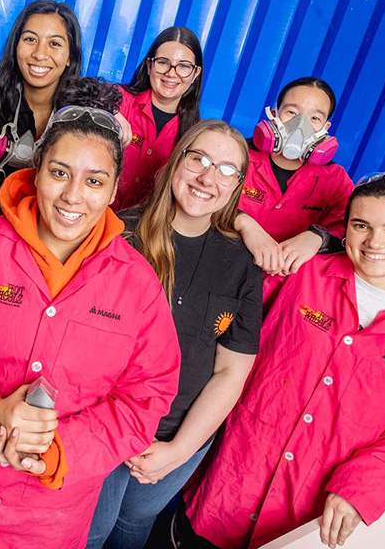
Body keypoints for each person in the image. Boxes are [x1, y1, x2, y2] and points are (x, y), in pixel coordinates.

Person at [0, 105, 181, 548]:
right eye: (59, 172)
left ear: (113, 192)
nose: (73, 195)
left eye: (94, 181)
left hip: (48, 519)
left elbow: (147, 397)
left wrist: (56, 448)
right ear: (36, 172)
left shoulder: (137, 285)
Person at [178, 173, 385, 549]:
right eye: (362, 225)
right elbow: (221, 323)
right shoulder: (298, 275)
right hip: (226, 488)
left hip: (303, 517)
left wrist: (361, 486)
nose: (375, 242)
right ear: (344, 229)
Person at [87, 120, 262, 549]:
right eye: (199, 159)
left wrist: (180, 450)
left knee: (133, 529)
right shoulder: (115, 235)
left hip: (183, 436)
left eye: (225, 169)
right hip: (107, 428)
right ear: (176, 161)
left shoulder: (242, 262)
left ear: (237, 185)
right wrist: (124, 433)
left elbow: (230, 373)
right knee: (91, 533)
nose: (207, 177)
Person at [0, 0, 83, 238]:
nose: (40, 54)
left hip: (42, 244)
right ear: (16, 46)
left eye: (54, 43)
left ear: (70, 57)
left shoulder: (80, 115)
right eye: (30, 39)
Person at [234, 77, 353, 276]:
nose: (301, 124)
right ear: (274, 114)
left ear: (326, 128)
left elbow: (353, 231)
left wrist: (318, 237)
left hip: (285, 288)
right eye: (292, 112)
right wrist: (242, 222)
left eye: (315, 118)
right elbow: (198, 199)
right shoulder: (237, 154)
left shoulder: (336, 180)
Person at [113, 27, 204, 211]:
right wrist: (109, 112)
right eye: (163, 62)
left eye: (184, 66)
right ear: (149, 66)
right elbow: (71, 94)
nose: (171, 73)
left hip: (140, 231)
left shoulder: (198, 134)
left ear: (195, 74)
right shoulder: (116, 99)